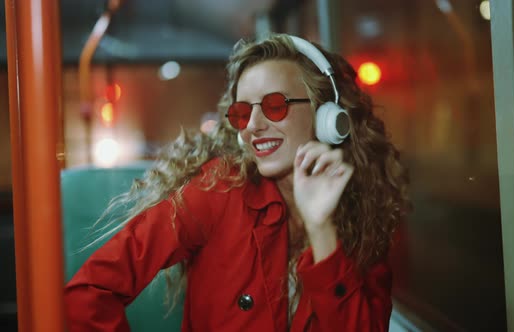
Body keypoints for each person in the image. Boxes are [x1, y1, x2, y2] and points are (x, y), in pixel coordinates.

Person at [64, 33, 410, 331]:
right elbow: (90, 291)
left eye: (275, 106)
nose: (253, 125)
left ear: (326, 115)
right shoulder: (218, 190)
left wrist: (322, 232)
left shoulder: (362, 220)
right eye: (242, 113)